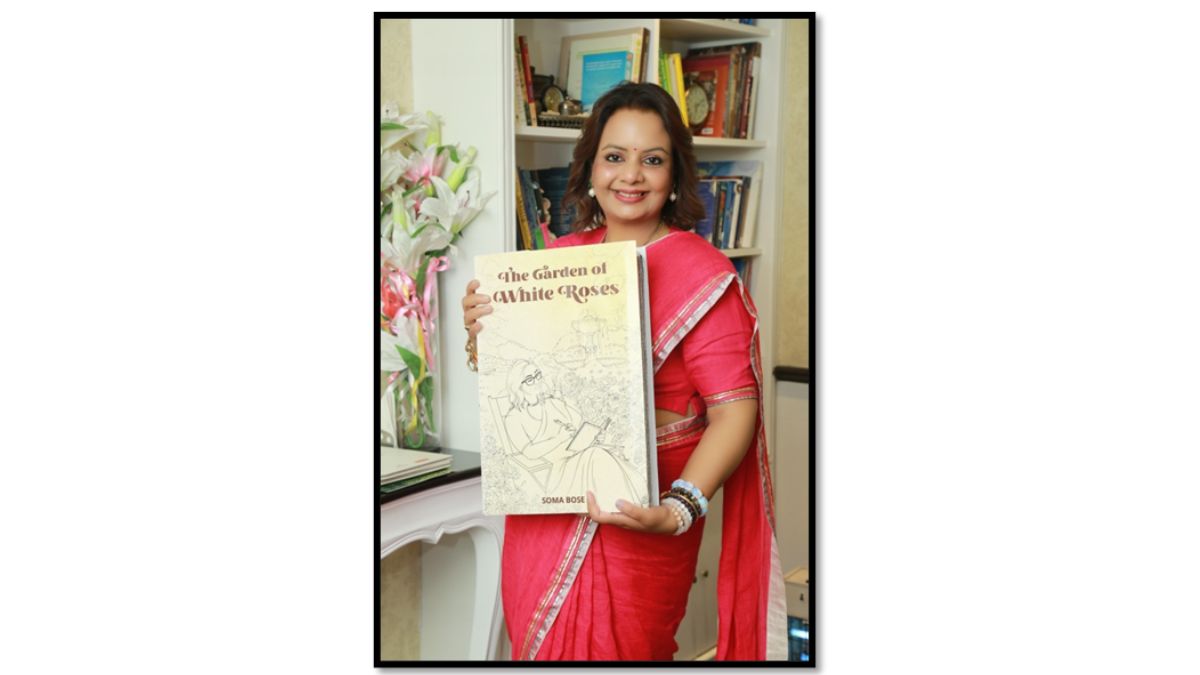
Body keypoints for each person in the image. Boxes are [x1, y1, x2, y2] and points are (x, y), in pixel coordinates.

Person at [462, 82, 787, 661]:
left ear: (674, 175)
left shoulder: (704, 276)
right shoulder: (556, 262)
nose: (631, 175)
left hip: (642, 518)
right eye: (615, 156)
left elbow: (735, 412)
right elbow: (522, 379)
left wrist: (680, 508)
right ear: (590, 168)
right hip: (542, 518)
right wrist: (483, 337)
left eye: (652, 160)